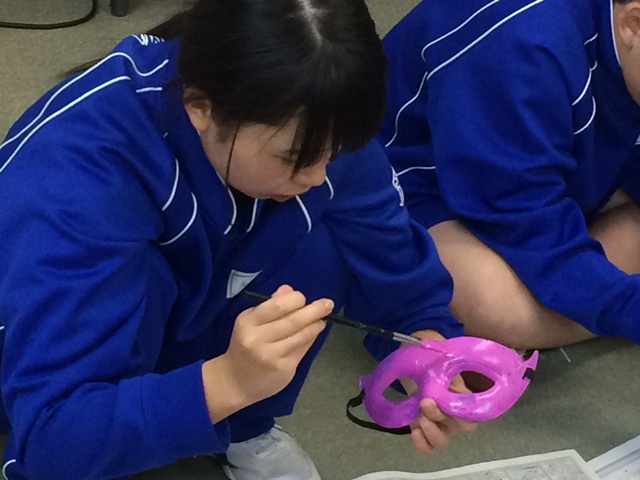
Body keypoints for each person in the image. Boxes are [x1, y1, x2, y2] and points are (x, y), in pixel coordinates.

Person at [0, 1, 479, 479]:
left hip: (184, 287)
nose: (316, 175)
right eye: (294, 157)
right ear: (200, 109)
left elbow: (392, 257)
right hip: (41, 357)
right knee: (148, 289)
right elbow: (50, 436)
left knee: (324, 234)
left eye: (336, 152)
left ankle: (239, 427)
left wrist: (426, 348)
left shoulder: (309, 115)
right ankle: (183, 411)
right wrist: (226, 382)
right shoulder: (80, 184)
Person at [378, 0, 640, 350]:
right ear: (633, 23)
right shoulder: (524, 44)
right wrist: (625, 307)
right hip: (424, 181)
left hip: (538, 167)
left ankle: (579, 287)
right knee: (494, 305)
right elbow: (518, 215)